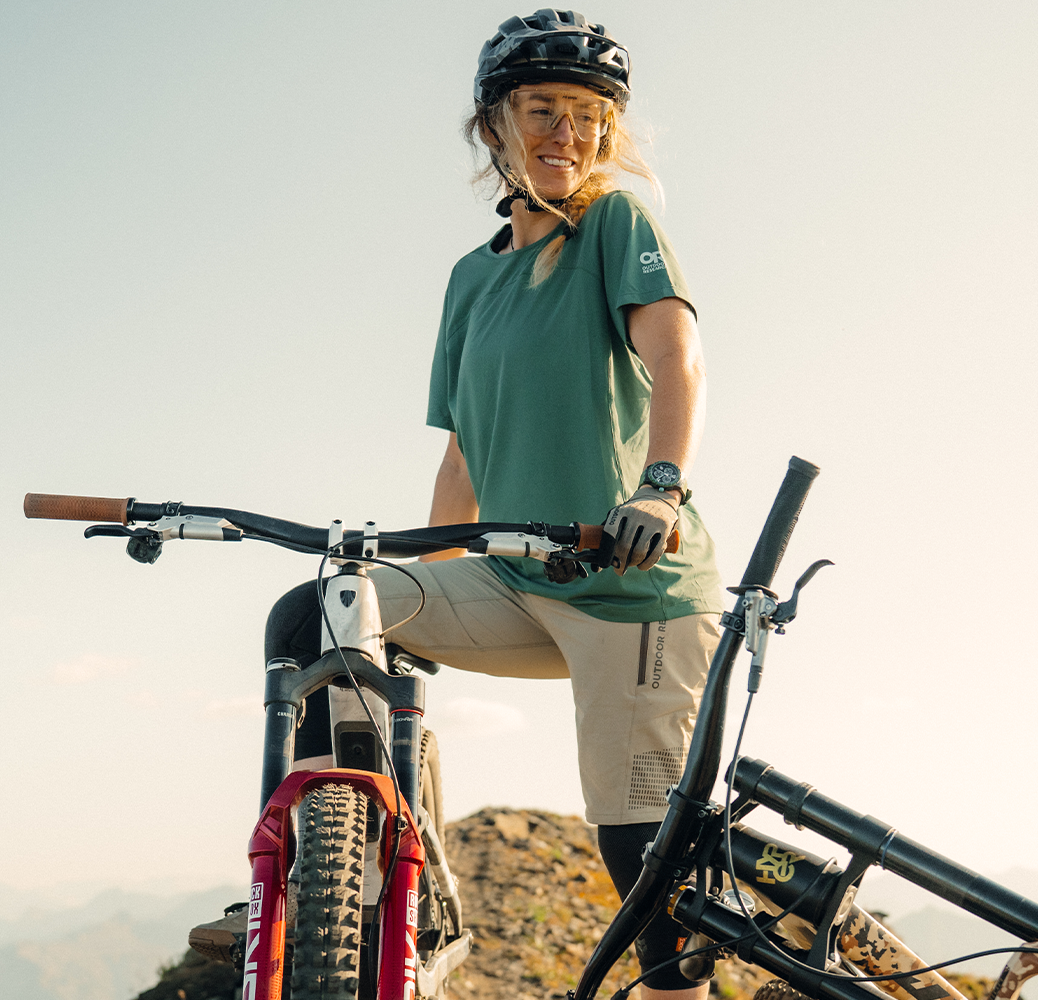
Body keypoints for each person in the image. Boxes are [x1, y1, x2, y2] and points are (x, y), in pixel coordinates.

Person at [216, 10, 722, 1000]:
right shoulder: (468, 279)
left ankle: (682, 991)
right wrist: (410, 603)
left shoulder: (616, 224)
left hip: (630, 587)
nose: (565, 135)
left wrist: (659, 488)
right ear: (492, 126)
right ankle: (336, 873)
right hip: (515, 578)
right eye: (542, 110)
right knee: (328, 608)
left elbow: (676, 353)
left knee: (637, 856)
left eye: (586, 117)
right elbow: (462, 460)